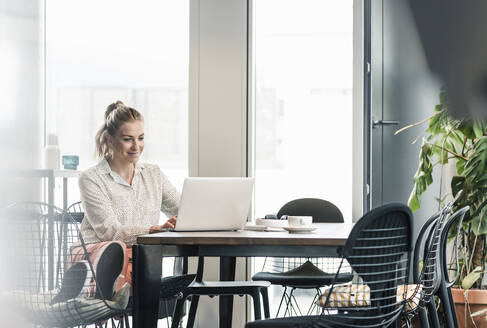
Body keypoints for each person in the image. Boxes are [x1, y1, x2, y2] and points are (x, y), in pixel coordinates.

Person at [77, 100, 180, 298]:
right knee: (117, 251)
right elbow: (111, 232)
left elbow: (182, 208)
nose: (136, 146)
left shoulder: (153, 174)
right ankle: (115, 293)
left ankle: (125, 295)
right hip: (97, 260)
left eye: (140, 138)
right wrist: (153, 230)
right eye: (128, 139)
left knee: (144, 268)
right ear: (110, 139)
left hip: (142, 261)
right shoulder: (91, 179)